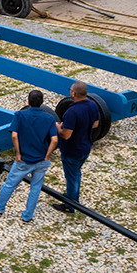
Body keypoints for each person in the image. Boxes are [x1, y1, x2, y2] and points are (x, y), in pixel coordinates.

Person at [0, 90, 59, 223]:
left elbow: (14, 136)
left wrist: (18, 153)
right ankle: (27, 216)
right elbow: (55, 140)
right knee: (35, 188)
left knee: (10, 185)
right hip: (41, 160)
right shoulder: (50, 118)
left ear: (28, 102)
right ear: (42, 102)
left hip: (23, 159)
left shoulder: (20, 115)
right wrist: (47, 155)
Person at [51, 81, 100, 214]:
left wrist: (57, 127)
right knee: (76, 173)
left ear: (73, 93)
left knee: (72, 177)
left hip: (72, 150)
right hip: (85, 146)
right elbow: (95, 124)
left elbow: (66, 135)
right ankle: (72, 196)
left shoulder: (72, 112)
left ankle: (70, 205)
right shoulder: (93, 105)